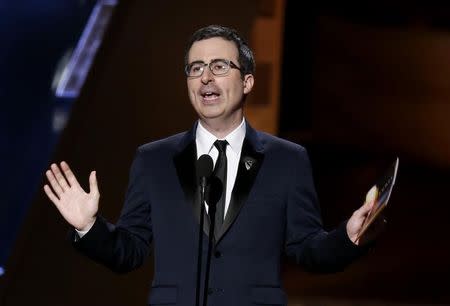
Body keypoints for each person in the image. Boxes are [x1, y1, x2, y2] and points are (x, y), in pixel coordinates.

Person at [43, 24, 381, 306]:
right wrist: (89, 228)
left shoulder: (287, 160)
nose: (206, 77)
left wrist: (346, 237)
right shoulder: (154, 160)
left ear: (247, 81)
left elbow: (307, 247)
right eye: (195, 68)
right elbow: (129, 252)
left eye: (220, 66)